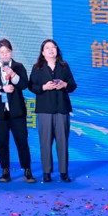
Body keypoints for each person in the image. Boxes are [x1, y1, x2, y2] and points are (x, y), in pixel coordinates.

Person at [0, 38, 36, 183]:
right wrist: (1, 89)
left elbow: (24, 84)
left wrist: (13, 75)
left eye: (7, 52)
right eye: (2, 52)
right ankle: (5, 170)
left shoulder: (18, 66)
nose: (5, 55)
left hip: (16, 111)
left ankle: (27, 170)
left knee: (22, 140)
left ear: (11, 52)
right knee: (2, 142)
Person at [28, 39, 77, 183]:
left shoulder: (64, 66)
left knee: (62, 142)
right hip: (45, 109)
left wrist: (64, 84)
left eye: (53, 47)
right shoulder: (37, 68)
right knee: (45, 142)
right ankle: (46, 172)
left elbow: (73, 85)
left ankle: (63, 172)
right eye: (47, 48)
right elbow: (31, 86)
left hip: (62, 108)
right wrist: (44, 87)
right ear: (43, 52)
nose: (51, 50)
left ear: (57, 50)